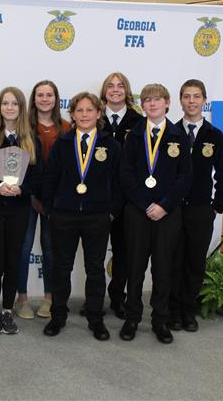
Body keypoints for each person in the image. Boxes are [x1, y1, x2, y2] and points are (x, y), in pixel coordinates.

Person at [42, 92, 122, 341]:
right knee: (61, 268)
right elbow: (50, 178)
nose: (85, 115)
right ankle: (58, 316)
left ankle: (96, 319)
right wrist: (51, 210)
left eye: (89, 110)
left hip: (97, 216)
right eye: (79, 110)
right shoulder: (63, 143)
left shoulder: (111, 145)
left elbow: (119, 182)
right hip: (64, 215)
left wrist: (111, 212)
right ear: (73, 115)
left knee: (95, 269)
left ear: (99, 114)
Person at [119, 83, 191, 344]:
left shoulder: (179, 136)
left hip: (167, 214)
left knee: (163, 269)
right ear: (142, 105)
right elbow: (125, 174)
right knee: (135, 267)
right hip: (138, 212)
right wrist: (143, 203)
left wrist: (164, 205)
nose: (152, 104)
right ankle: (132, 318)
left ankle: (160, 319)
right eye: (147, 100)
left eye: (157, 99)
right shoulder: (134, 135)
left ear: (167, 103)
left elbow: (185, 177)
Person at [0, 87, 41, 335]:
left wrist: (22, 190)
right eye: (5, 103)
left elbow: (38, 177)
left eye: (14, 103)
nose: (10, 108)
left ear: (21, 108)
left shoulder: (31, 139)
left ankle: (7, 310)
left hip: (18, 209)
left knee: (14, 260)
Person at [169, 79, 223, 332]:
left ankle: (188, 309)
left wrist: (216, 206)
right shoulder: (171, 132)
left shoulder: (214, 135)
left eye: (196, 96)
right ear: (180, 100)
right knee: (174, 260)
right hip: (173, 209)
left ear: (204, 100)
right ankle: (173, 310)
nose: (191, 101)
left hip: (200, 210)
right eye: (187, 96)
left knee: (195, 262)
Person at [14, 80, 69, 320]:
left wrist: (50, 199)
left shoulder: (66, 127)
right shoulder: (23, 127)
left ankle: (49, 297)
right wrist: (32, 195)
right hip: (26, 197)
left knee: (50, 248)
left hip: (54, 200)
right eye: (40, 95)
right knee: (23, 247)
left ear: (56, 99)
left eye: (49, 95)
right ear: (33, 99)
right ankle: (22, 298)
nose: (45, 99)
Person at [99, 72, 143, 319]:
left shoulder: (139, 122)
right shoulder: (93, 117)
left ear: (127, 91)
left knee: (123, 252)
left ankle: (118, 297)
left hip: (127, 200)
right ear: (104, 91)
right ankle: (94, 299)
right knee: (94, 254)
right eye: (110, 86)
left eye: (120, 86)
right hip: (97, 198)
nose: (115, 90)